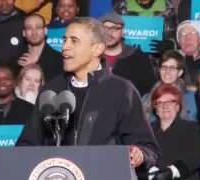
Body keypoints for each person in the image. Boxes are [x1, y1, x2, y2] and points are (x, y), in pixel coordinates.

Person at [17, 17, 161, 178]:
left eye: (74, 41)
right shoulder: (52, 89)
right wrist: (3, 166)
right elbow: (28, 143)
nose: (65, 46)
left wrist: (140, 154)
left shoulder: (122, 90)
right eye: (65, 40)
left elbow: (149, 148)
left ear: (97, 49)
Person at [148, 84, 200, 180]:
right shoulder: (148, 130)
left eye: (170, 102)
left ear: (178, 106)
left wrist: (172, 171)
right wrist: (149, 170)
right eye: (160, 103)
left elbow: (194, 157)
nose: (165, 106)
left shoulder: (190, 128)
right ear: (155, 109)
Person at [100, 12, 157, 96]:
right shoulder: (89, 56)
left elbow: (150, 93)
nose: (109, 33)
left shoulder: (138, 58)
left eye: (114, 28)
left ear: (123, 32)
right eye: (105, 28)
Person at [142, 50, 197, 122]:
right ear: (159, 70)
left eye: (172, 68)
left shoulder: (192, 97)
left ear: (180, 72)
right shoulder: (146, 98)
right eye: (164, 67)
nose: (167, 72)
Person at [10, 14, 63, 81]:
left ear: (45, 31)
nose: (34, 32)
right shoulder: (16, 60)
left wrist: (35, 65)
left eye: (38, 27)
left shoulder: (59, 60)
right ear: (24, 33)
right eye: (29, 28)